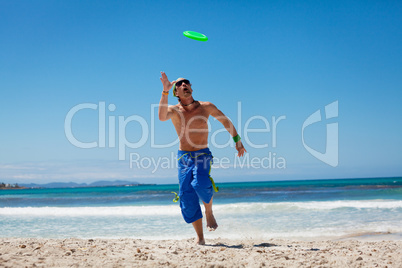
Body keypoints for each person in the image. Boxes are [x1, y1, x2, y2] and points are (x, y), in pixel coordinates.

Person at [158, 72, 246, 245]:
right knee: (186, 196)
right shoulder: (174, 111)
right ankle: (200, 237)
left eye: (187, 83)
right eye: (180, 84)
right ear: (176, 92)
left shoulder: (206, 107)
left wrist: (238, 141)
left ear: (191, 88)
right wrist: (165, 91)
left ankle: (209, 211)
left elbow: (225, 122)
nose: (184, 85)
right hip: (183, 157)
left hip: (202, 154)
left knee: (201, 183)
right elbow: (161, 117)